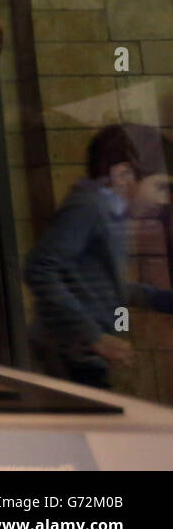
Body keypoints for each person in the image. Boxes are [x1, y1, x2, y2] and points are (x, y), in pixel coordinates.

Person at [25, 125, 173, 390]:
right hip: (69, 356)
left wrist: (159, 299)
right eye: (160, 186)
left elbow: (98, 284)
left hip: (79, 356)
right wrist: (94, 337)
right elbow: (40, 268)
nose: (164, 199)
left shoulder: (108, 213)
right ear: (123, 175)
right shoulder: (89, 207)